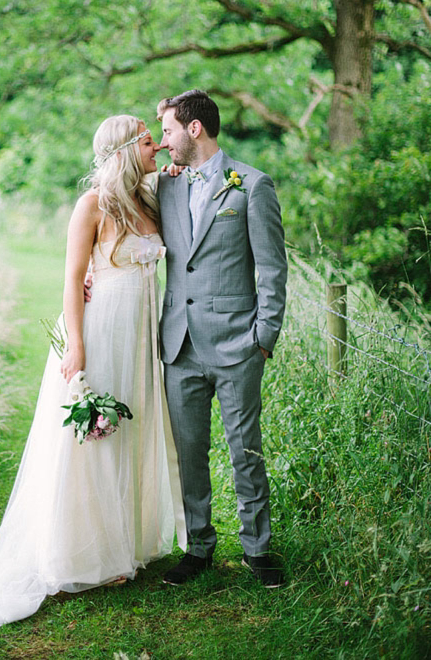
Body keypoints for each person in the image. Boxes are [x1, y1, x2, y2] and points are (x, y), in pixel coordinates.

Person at [0, 115, 186, 626]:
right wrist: (77, 344)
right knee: (93, 439)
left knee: (129, 433)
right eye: (151, 143)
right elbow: (71, 278)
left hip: (139, 336)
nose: (159, 149)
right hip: (101, 329)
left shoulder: (149, 199)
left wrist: (175, 174)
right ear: (128, 150)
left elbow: (176, 183)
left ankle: (124, 541)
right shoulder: (92, 205)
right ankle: (84, 554)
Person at [157, 89, 288, 588]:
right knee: (189, 453)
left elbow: (273, 270)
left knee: (244, 451)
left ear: (195, 129)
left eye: (168, 130)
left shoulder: (251, 186)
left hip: (238, 344)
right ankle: (199, 546)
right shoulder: (164, 187)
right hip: (179, 347)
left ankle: (258, 547)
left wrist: (264, 337)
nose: (164, 141)